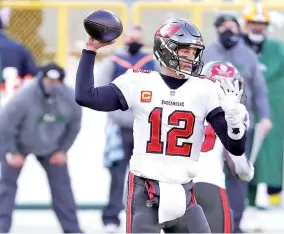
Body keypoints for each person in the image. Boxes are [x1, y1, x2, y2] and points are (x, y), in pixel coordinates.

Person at [75, 19, 251, 233]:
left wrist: (234, 121)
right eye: (184, 51)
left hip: (185, 192)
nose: (190, 57)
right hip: (145, 191)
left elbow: (236, 148)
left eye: (194, 52)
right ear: (165, 50)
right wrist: (90, 50)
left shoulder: (206, 89)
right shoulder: (139, 82)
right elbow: (86, 96)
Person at [202, 14, 271, 232]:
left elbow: (259, 90)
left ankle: (235, 221)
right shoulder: (206, 53)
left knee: (237, 175)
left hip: (239, 120)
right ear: (216, 29)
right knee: (206, 171)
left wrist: (266, 116)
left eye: (232, 26)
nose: (228, 30)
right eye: (223, 26)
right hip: (208, 121)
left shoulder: (248, 55)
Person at [0, 63, 83, 233]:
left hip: (52, 148)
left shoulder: (71, 98)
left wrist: (62, 150)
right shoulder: (23, 97)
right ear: (41, 79)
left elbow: (74, 126)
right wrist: (12, 151)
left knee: (62, 187)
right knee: (6, 186)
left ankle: (72, 229)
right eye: (48, 79)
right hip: (19, 144)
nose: (52, 84)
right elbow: (5, 125)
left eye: (56, 80)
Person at [95, 25, 155, 233]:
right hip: (120, 128)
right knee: (117, 175)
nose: (133, 42)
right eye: (130, 38)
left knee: (146, 176)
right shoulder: (113, 62)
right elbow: (102, 91)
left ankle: (145, 216)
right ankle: (111, 217)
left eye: (137, 38)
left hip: (144, 129)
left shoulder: (150, 63)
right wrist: (118, 117)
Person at [193, 61, 254, 233]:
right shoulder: (236, 111)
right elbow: (239, 164)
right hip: (210, 183)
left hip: (176, 184)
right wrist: (247, 171)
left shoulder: (184, 101)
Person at [242, 2, 284, 207]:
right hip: (245, 108)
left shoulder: (277, 49)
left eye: (261, 23)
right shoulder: (237, 47)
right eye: (254, 23)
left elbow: (277, 74)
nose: (257, 27)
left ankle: (274, 197)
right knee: (244, 151)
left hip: (268, 110)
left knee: (270, 152)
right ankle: (245, 198)